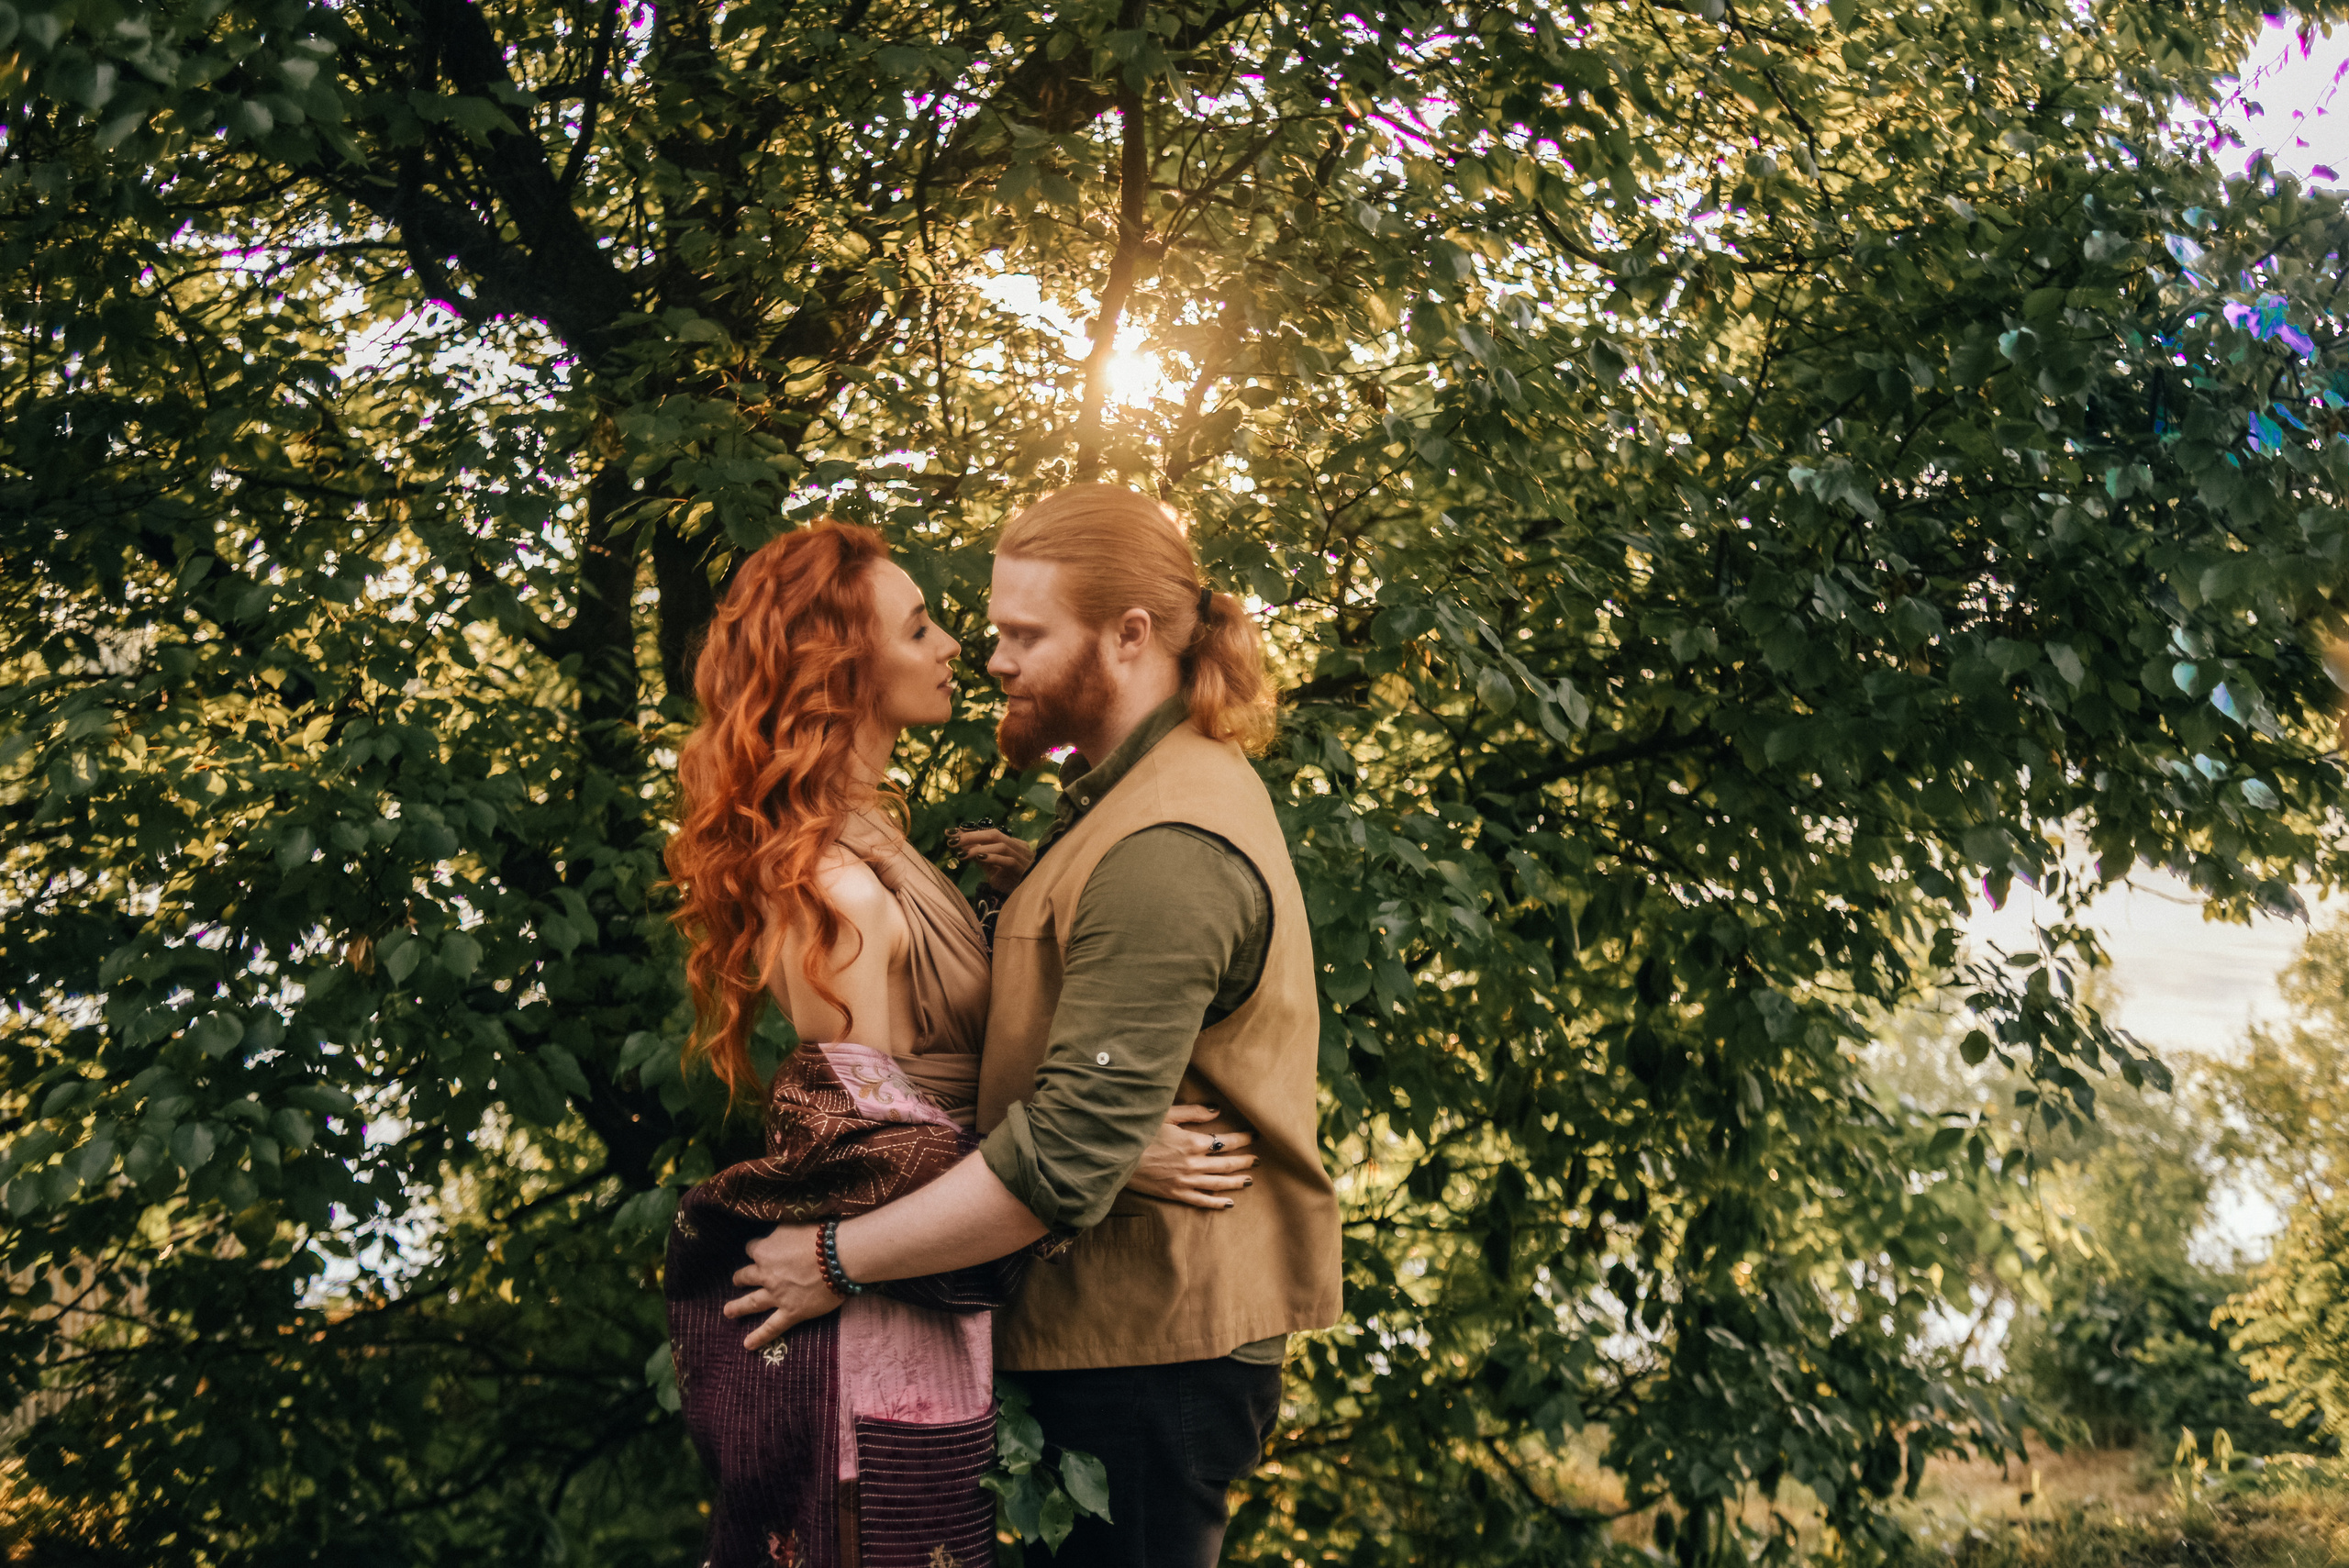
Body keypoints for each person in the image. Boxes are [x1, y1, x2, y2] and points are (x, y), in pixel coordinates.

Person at [725, 486, 1344, 1568]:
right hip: (1109, 1328)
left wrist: (831, 1256)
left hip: (1149, 1346)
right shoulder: (1121, 795)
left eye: (1024, 634)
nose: (990, 656)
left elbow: (1057, 1149)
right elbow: (917, 1107)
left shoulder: (1162, 844)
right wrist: (1111, 1135)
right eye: (969, 626)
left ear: (1129, 635)